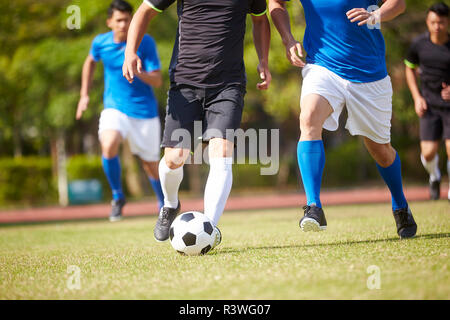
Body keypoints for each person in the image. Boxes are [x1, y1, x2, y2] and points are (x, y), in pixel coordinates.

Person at [123, 0, 271, 245]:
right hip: (185, 83)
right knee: (174, 158)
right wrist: (130, 51)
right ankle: (170, 205)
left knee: (221, 152)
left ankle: (209, 227)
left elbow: (260, 19)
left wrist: (263, 60)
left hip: (228, 85)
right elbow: (144, 11)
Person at [269, 0, 417, 238]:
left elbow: (399, 4)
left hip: (369, 73)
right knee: (308, 119)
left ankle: (400, 205)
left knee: (380, 150)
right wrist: (287, 38)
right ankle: (313, 206)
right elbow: (275, 3)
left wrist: (377, 14)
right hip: (323, 66)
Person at [76, 0, 165, 222]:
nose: (124, 24)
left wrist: (138, 71)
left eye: (127, 19)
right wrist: (84, 95)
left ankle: (164, 204)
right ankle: (117, 196)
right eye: (119, 20)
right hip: (114, 107)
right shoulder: (100, 43)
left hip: (145, 112)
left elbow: (158, 81)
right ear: (109, 22)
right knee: (108, 142)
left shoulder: (145, 43)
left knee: (151, 166)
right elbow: (90, 62)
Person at [405, 2, 450, 201]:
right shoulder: (418, 44)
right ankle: (434, 176)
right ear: (427, 22)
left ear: (447, 22)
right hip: (429, 106)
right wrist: (417, 97)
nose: (437, 26)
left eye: (441, 22)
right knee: (429, 152)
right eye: (433, 22)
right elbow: (409, 67)